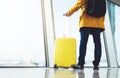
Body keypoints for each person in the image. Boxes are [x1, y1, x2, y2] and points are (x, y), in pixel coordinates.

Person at [63, 0, 105, 70]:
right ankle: (96, 64)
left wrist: (69, 12)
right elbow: (103, 10)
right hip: (98, 23)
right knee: (97, 44)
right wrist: (101, 22)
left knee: (83, 43)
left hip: (86, 21)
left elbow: (79, 4)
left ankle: (81, 63)